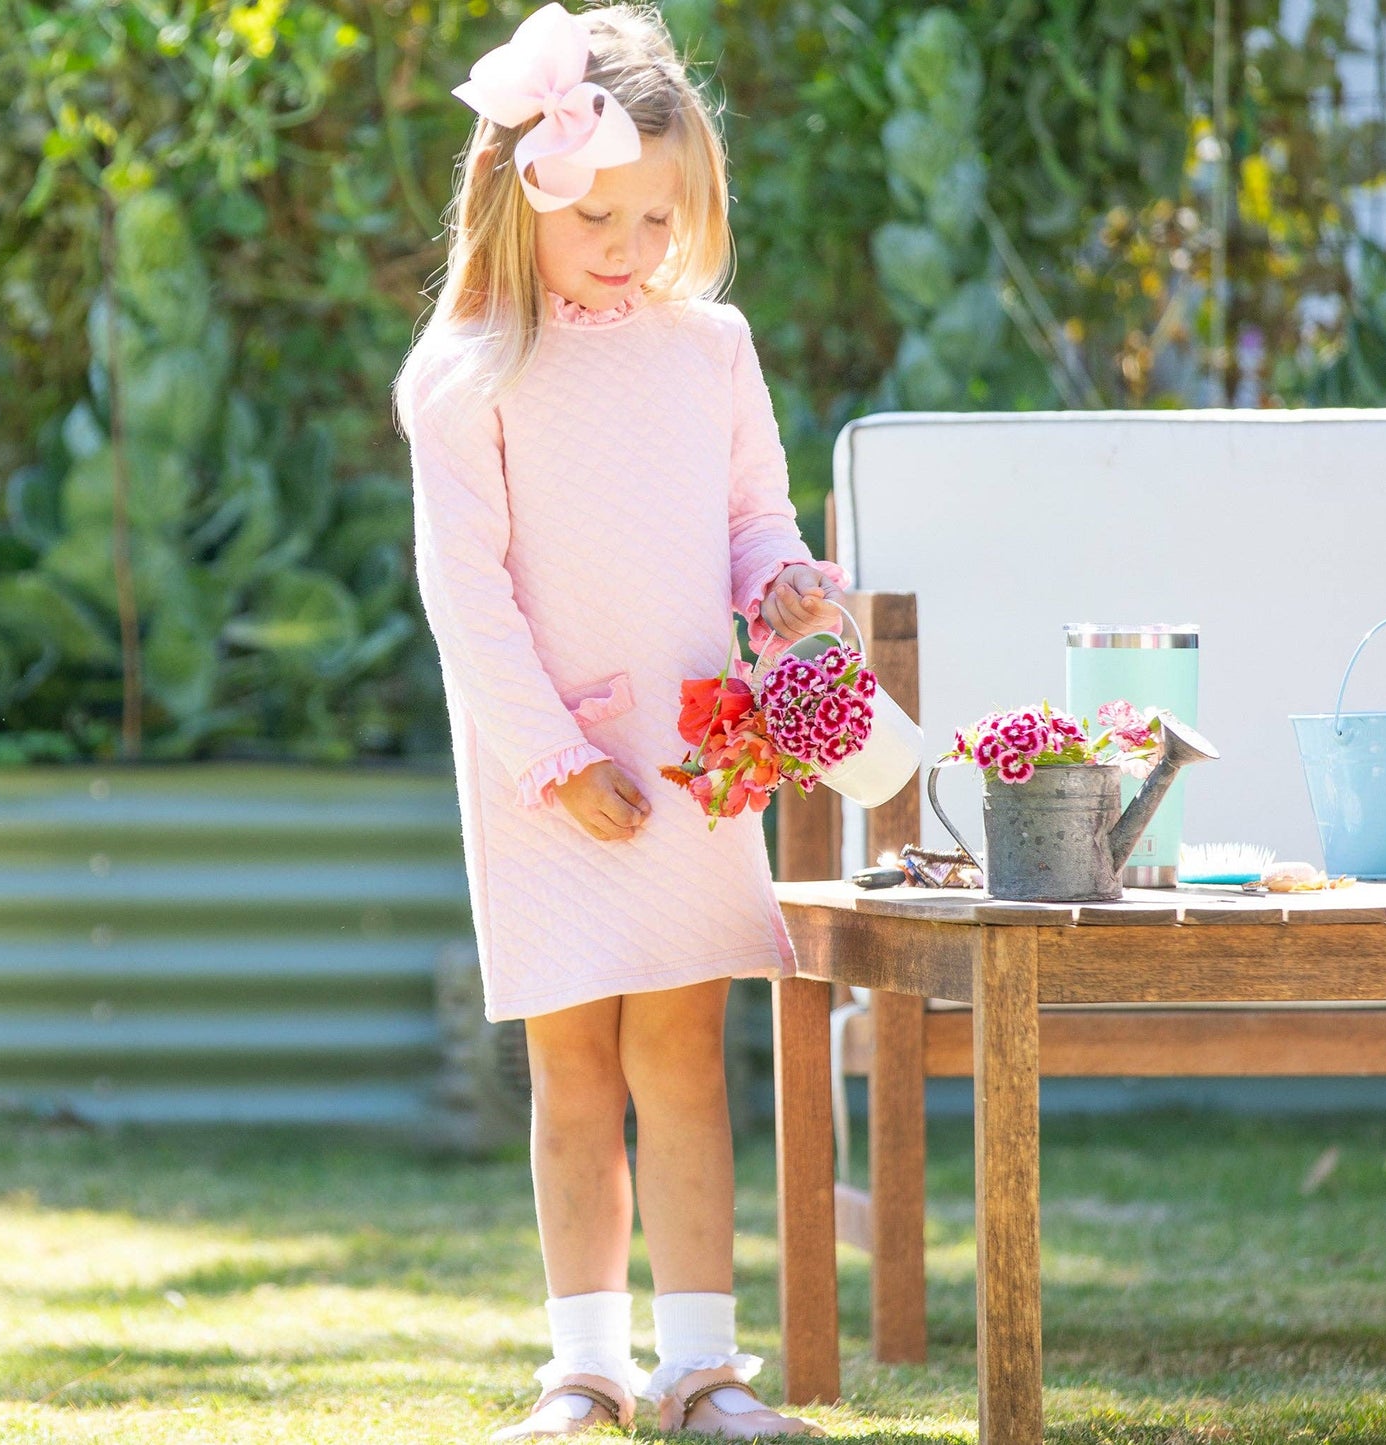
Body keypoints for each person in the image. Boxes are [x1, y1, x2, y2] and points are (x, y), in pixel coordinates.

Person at [395, 4, 849, 1437]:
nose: (629, 241)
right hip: (549, 774)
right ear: (513, 189)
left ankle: (703, 1366)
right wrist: (556, 760)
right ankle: (582, 1367)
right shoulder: (465, 375)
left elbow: (747, 515)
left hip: (692, 754)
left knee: (684, 1058)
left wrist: (779, 587)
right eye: (597, 210)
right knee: (573, 1066)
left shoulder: (707, 349)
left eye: (658, 214)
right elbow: (467, 600)